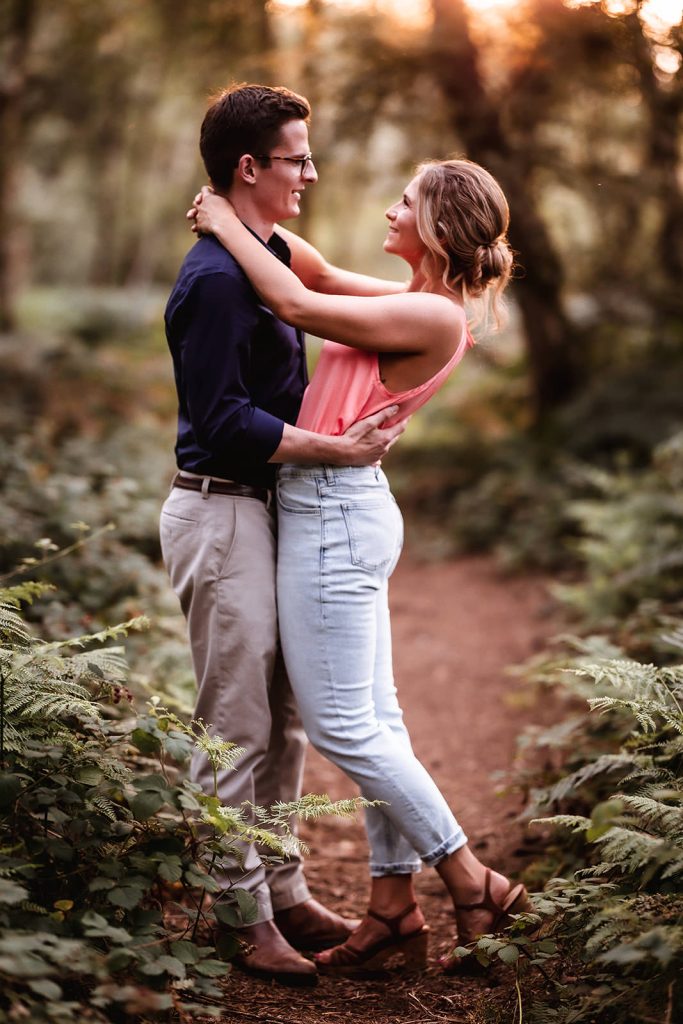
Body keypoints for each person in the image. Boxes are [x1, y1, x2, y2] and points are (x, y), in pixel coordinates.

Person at [190, 156, 533, 974]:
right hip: (337, 508)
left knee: (345, 725)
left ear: (439, 227)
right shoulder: (413, 300)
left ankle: (469, 878)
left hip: (333, 517)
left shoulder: (433, 318)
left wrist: (218, 222)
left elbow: (292, 300)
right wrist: (243, 211)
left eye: (405, 202)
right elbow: (310, 267)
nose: (389, 208)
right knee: (376, 723)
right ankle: (391, 904)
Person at [160, 83, 410, 988]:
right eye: (297, 156)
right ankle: (239, 916)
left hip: (264, 511)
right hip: (221, 507)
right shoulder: (220, 281)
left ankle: (284, 888)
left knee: (289, 718)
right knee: (235, 722)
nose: (310, 170)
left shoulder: (260, 253)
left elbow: (327, 294)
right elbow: (224, 421)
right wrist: (335, 453)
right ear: (249, 167)